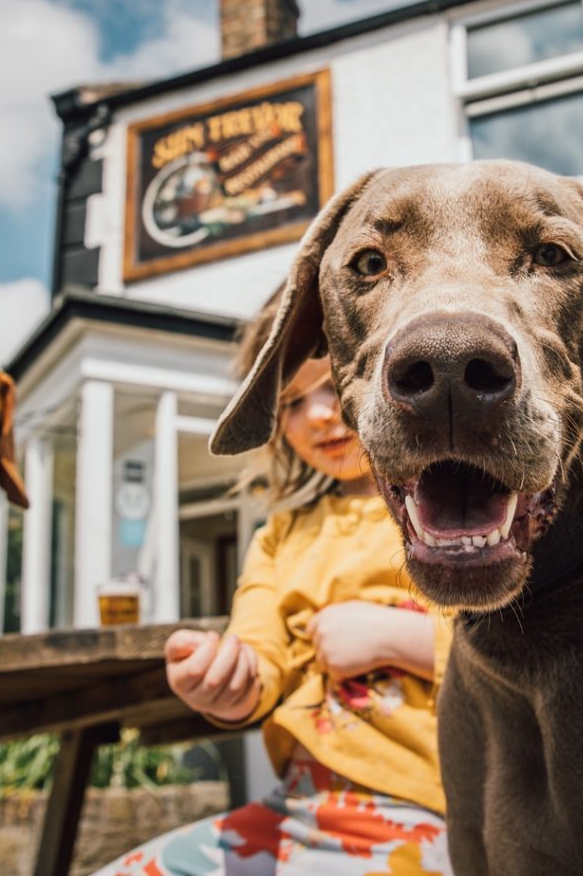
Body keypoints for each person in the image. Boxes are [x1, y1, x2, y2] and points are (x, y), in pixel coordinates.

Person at [94, 306, 453, 876]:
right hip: (297, 812)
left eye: (335, 384)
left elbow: (535, 652)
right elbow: (259, 653)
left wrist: (397, 637)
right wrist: (225, 681)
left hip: (437, 815)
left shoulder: (464, 511)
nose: (317, 416)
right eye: (288, 402)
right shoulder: (279, 538)